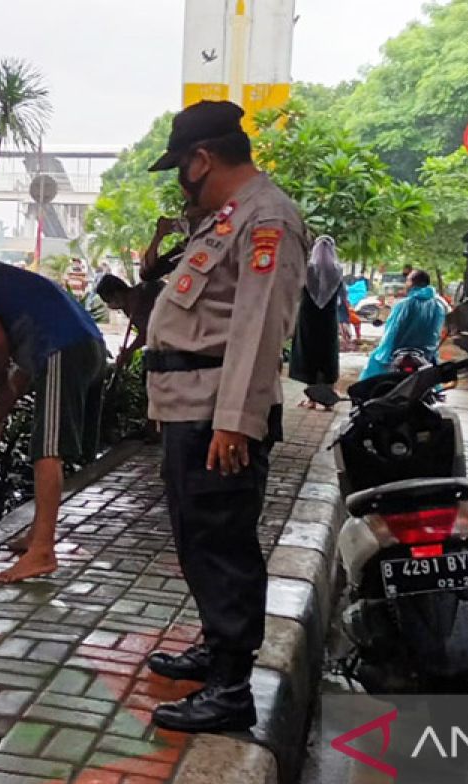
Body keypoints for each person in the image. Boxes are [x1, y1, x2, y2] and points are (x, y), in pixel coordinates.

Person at [142, 100, 307, 733]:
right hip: (193, 408)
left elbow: (258, 325)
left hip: (218, 416)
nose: (183, 181)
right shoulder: (227, 219)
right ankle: (217, 650)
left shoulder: (264, 217)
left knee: (222, 544)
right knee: (199, 538)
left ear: (201, 159)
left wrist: (236, 421)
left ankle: (232, 689)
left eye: (182, 168)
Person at [0, 241, 109, 582]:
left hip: (64, 351)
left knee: (46, 449)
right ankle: (36, 536)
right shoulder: (10, 281)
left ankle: (43, 551)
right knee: (48, 442)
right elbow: (24, 372)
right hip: (88, 349)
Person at [361, 269, 446, 379]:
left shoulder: (404, 305)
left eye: (407, 281)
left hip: (400, 354)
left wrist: (383, 354)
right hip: (426, 355)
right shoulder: (439, 306)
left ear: (411, 283)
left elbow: (391, 333)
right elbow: (437, 333)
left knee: (374, 368)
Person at [289, 236, 342, 409]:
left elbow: (295, 291)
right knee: (328, 355)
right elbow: (343, 298)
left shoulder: (307, 269)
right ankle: (329, 403)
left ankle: (311, 400)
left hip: (308, 318)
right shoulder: (337, 270)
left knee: (308, 354)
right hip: (328, 318)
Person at [95, 273, 165, 368]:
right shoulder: (131, 302)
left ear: (116, 294)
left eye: (108, 300)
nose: (109, 305)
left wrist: (128, 352)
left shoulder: (137, 302)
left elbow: (146, 333)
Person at [140, 204, 211, 282]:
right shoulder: (184, 248)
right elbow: (147, 273)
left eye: (197, 219)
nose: (192, 225)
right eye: (188, 220)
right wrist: (159, 235)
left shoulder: (214, 243)